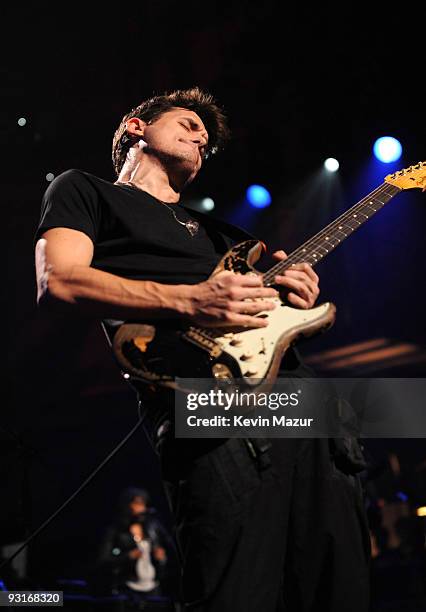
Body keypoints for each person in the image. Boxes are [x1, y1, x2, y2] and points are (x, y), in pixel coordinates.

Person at [34, 87, 370, 611]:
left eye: (207, 138)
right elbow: (59, 280)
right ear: (136, 127)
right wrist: (194, 299)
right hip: (205, 391)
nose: (201, 137)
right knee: (237, 587)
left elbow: (265, 315)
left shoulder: (228, 237)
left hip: (305, 401)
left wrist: (292, 296)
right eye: (189, 123)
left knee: (336, 582)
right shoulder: (86, 191)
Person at [97, 487, 169, 597]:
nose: (141, 507)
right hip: (127, 588)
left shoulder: (151, 529)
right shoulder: (116, 531)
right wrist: (129, 556)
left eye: (143, 503)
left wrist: (160, 557)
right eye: (136, 503)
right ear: (127, 505)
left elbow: (159, 554)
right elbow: (103, 560)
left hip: (152, 588)